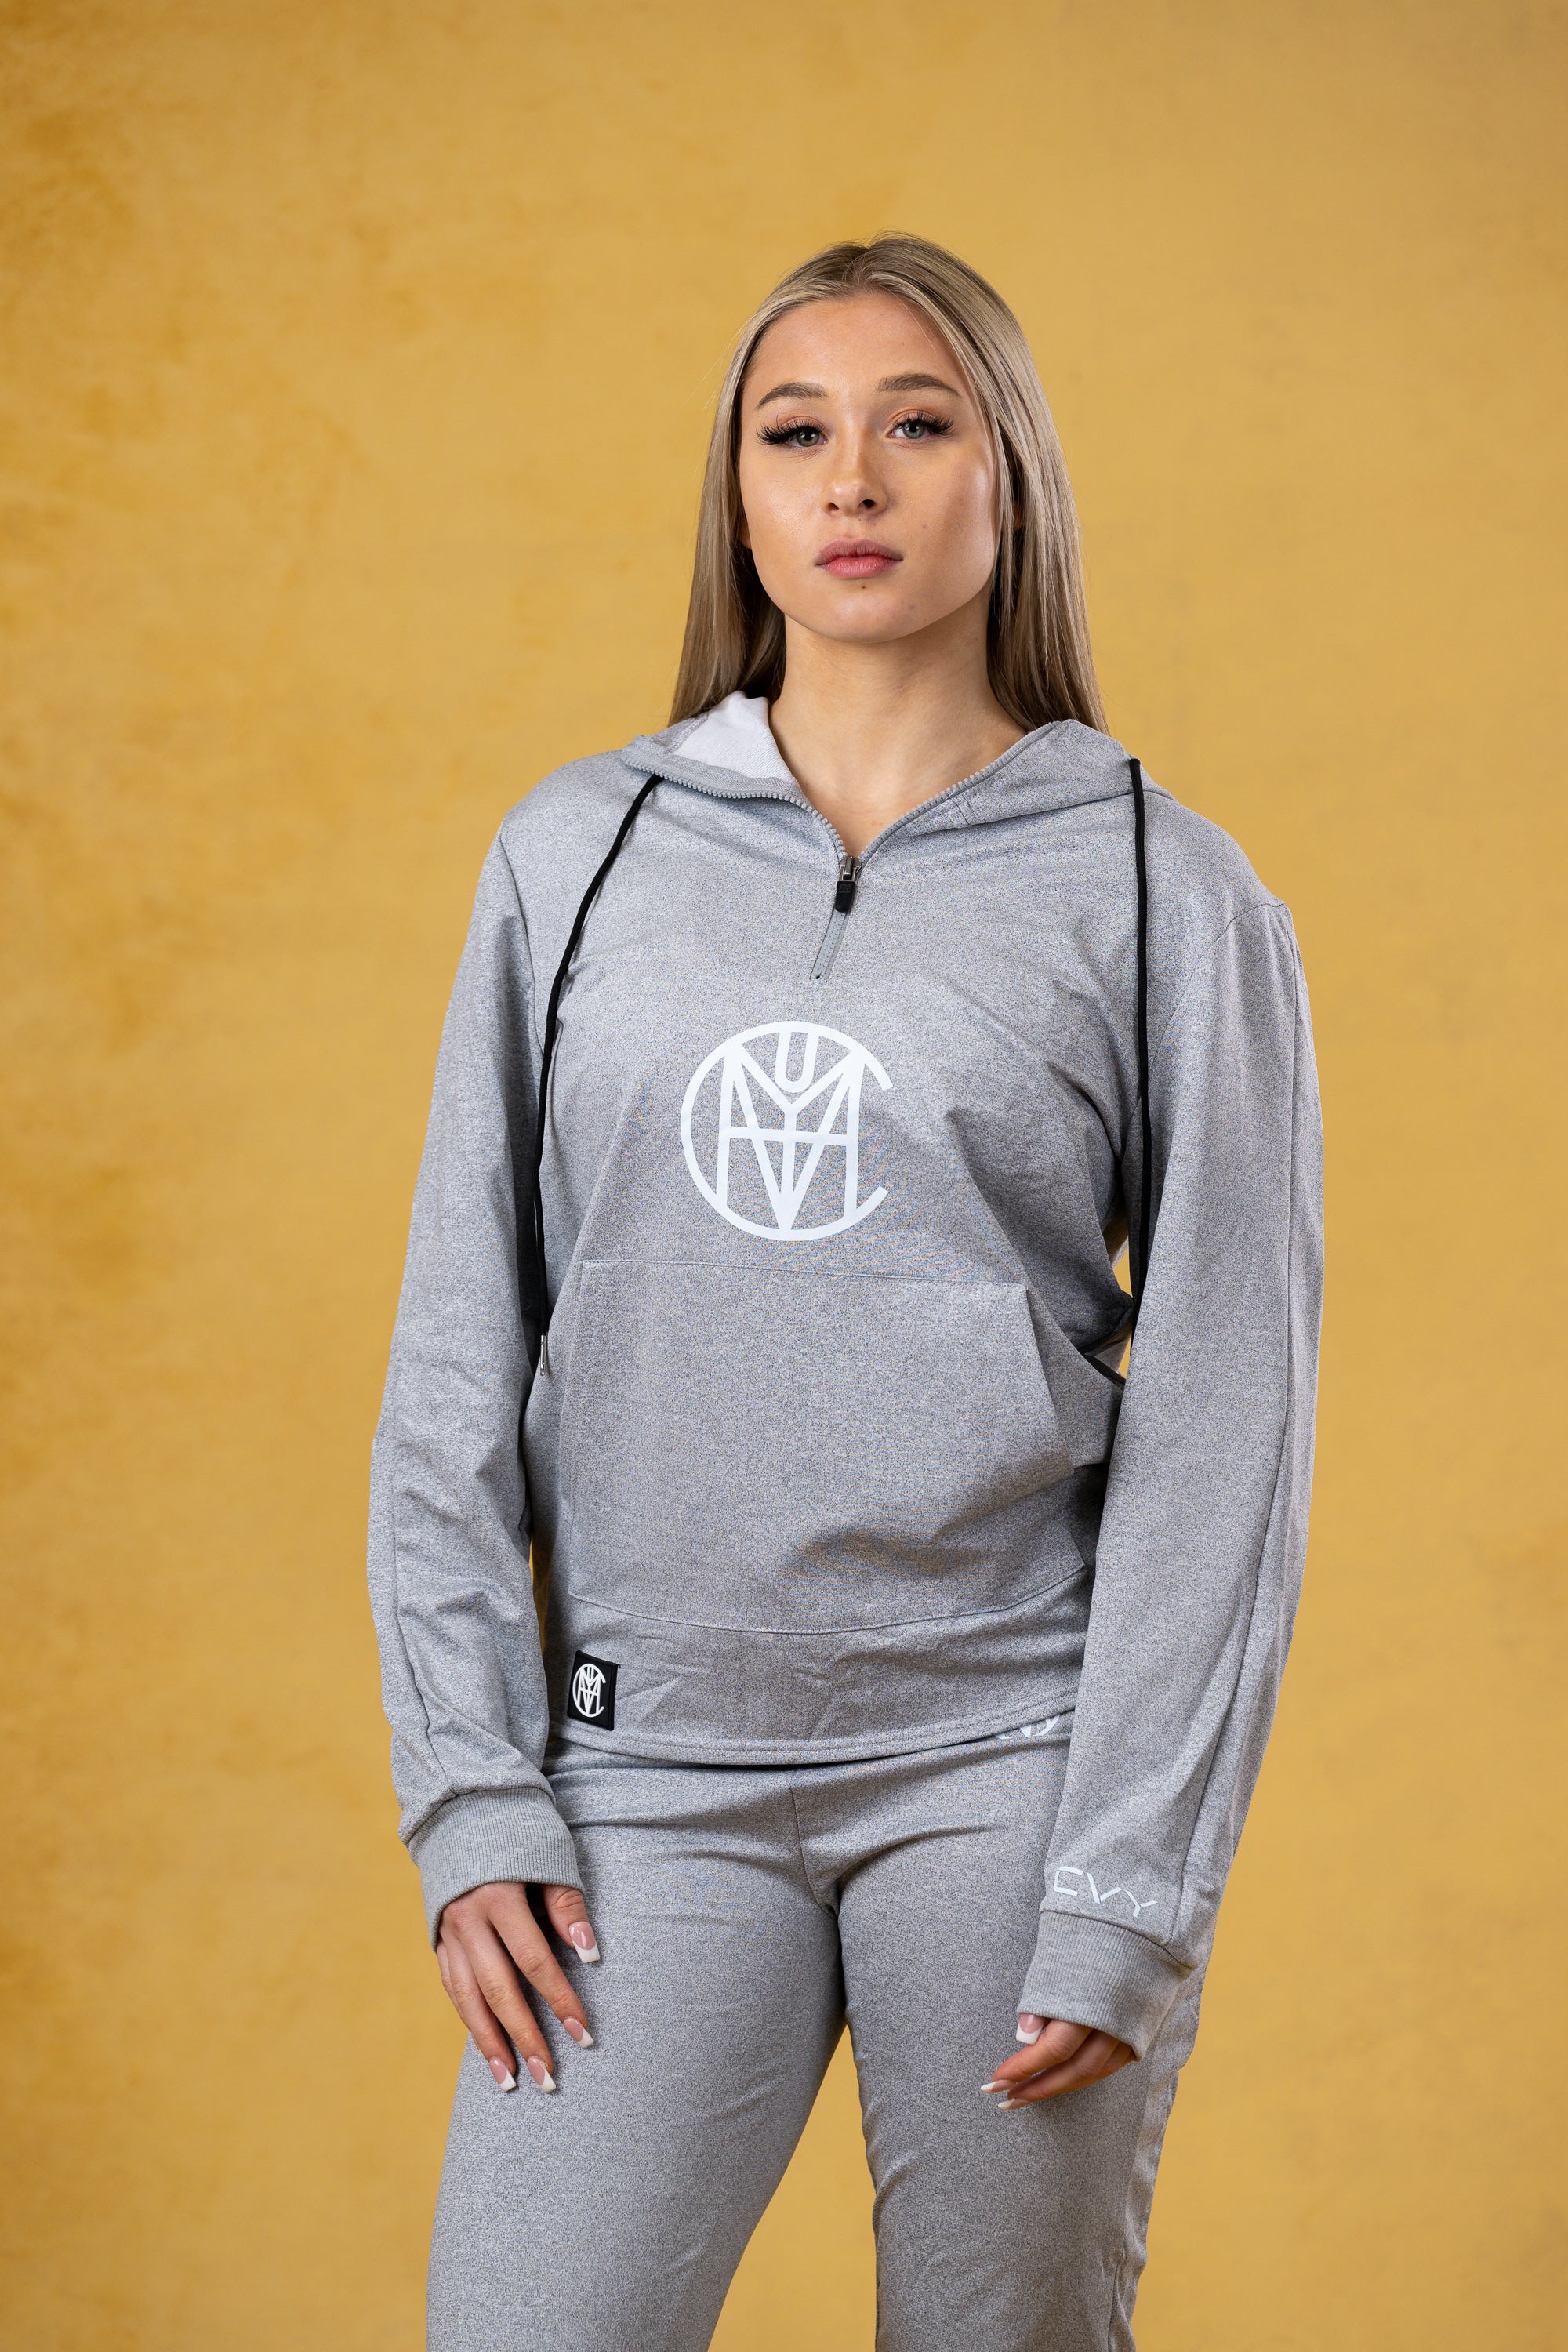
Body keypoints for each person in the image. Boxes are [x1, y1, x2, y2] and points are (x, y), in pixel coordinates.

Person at [368, 232, 1323, 2352]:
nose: (853, 480)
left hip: (1011, 1769)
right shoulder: (577, 857)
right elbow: (453, 1356)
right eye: (794, 433)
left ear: (1013, 474)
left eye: (918, 423)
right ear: (738, 496)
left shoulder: (1164, 890)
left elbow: (1228, 1426)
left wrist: (1130, 1884)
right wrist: (471, 1787)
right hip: (639, 1776)